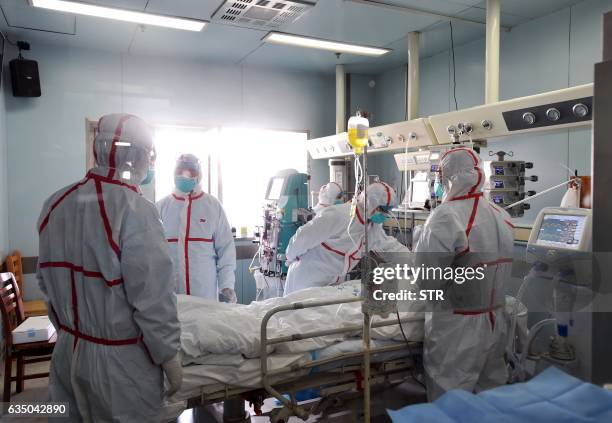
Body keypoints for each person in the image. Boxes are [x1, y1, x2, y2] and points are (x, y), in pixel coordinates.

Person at [37, 114, 182, 422]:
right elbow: (153, 299)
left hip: (68, 351)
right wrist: (169, 357)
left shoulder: (55, 203)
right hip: (120, 366)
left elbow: (46, 283)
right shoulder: (135, 210)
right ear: (139, 156)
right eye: (149, 155)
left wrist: (72, 329)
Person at [412, 147, 514, 400]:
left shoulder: (446, 216)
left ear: (447, 178)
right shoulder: (502, 214)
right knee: (491, 391)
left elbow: (426, 280)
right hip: (495, 320)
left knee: (450, 396)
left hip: (457, 326)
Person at [284, 181, 409, 295]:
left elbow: (390, 246)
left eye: (388, 211)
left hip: (331, 284)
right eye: (382, 210)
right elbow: (303, 237)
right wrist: (290, 257)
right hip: (306, 279)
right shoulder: (338, 215)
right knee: (296, 317)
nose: (385, 215)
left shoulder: (372, 226)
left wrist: (417, 264)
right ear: (371, 204)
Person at [156, 154, 237, 302]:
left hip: (203, 293)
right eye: (179, 171)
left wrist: (227, 283)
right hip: (171, 292)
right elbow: (151, 252)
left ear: (198, 175)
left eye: (189, 172)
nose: (184, 175)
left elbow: (226, 249)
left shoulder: (213, 206)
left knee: (205, 324)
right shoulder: (161, 207)